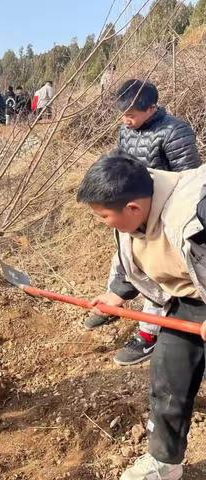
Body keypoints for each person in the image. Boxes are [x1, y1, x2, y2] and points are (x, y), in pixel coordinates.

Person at [77, 150, 206, 480]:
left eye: (103, 216)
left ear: (132, 208)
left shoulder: (195, 215)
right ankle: (165, 462)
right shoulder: (136, 201)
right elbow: (131, 247)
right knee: (168, 378)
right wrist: (117, 293)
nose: (102, 222)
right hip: (191, 298)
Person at [85, 79, 202, 366]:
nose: (126, 120)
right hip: (133, 211)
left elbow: (190, 180)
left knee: (161, 274)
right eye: (123, 114)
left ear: (151, 108)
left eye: (132, 114)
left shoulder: (174, 132)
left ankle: (149, 333)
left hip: (165, 215)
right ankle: (117, 297)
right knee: (128, 260)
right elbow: (120, 166)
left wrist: (162, 211)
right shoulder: (125, 130)